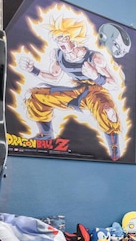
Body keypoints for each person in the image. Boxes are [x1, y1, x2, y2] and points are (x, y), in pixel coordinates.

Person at [18, 16, 123, 160]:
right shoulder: (58, 54)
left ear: (73, 37)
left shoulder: (95, 58)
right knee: (36, 96)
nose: (59, 41)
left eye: (63, 38)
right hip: (77, 90)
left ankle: (115, 151)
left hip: (96, 90)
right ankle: (46, 135)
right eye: (57, 38)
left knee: (108, 111)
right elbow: (54, 77)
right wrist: (33, 70)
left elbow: (115, 84)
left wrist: (96, 76)